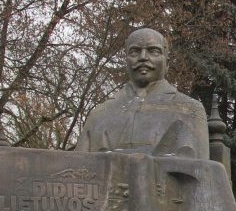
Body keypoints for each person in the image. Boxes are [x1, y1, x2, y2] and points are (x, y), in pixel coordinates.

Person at [75, 28, 209, 159]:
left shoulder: (190, 110)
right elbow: (76, 168)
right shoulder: (99, 114)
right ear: (126, 61)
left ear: (167, 63)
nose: (143, 57)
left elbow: (201, 173)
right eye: (134, 52)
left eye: (154, 51)